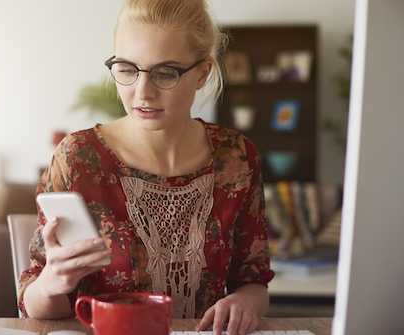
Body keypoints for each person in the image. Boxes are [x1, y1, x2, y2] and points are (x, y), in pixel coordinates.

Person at [18, 0, 274, 334]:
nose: (142, 92)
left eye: (165, 72)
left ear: (203, 73)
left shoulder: (237, 157)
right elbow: (35, 304)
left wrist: (243, 304)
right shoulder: (78, 158)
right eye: (127, 69)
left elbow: (253, 282)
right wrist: (52, 283)